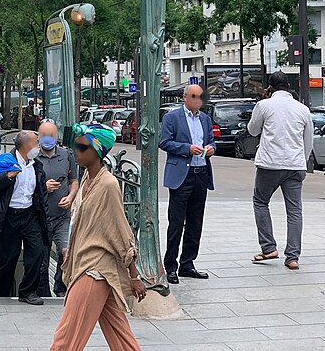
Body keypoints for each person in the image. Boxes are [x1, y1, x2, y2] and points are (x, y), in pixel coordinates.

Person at [49, 124, 146, 351]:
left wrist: (134, 276)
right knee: (120, 337)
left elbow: (121, 232)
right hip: (90, 264)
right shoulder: (86, 179)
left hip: (95, 270)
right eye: (76, 145)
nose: (76, 151)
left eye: (82, 147)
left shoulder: (108, 185)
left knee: (66, 340)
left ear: (97, 151)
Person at [247, 71, 312, 270]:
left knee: (260, 201)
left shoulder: (264, 105)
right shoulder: (302, 109)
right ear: (288, 86)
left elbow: (253, 130)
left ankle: (269, 247)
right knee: (294, 210)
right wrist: (303, 161)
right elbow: (307, 141)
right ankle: (292, 257)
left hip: (270, 164)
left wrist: (264, 102)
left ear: (270, 87)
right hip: (295, 164)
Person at [0, 130, 49, 305]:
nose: (39, 146)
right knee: (7, 258)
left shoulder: (36, 165)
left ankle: (28, 292)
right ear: (26, 145)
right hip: (9, 216)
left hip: (30, 214)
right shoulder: (6, 162)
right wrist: (6, 177)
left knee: (37, 253)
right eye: (36, 143)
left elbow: (39, 191)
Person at [159, 84, 215, 284]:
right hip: (181, 174)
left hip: (201, 173)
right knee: (176, 222)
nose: (198, 100)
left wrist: (210, 148)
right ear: (185, 97)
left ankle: (188, 263)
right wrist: (186, 148)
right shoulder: (171, 118)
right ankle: (170, 265)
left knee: (195, 221)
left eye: (201, 96)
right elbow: (164, 142)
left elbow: (211, 141)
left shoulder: (205, 119)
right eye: (194, 96)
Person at [37, 121, 80, 297]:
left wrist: (70, 198)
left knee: (66, 251)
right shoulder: (32, 156)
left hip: (62, 216)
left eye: (51, 135)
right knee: (42, 258)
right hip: (40, 216)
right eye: (44, 136)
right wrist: (42, 187)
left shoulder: (66, 155)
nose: (48, 139)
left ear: (57, 136)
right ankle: (43, 292)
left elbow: (74, 181)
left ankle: (61, 287)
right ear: (38, 137)